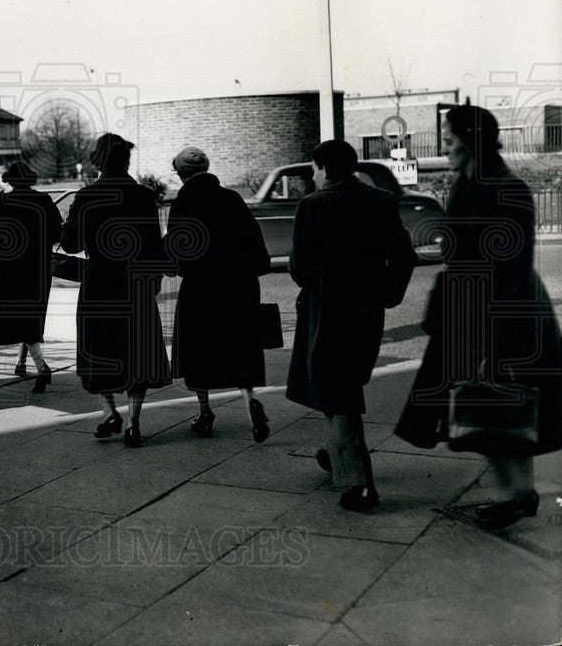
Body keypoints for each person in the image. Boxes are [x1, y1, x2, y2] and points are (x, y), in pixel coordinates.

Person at [395, 103, 562, 528]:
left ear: (470, 140)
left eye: (449, 137)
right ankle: (518, 494)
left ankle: (517, 495)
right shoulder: (470, 182)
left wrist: (489, 337)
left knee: (498, 404)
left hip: (500, 312)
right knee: (485, 407)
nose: (444, 144)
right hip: (472, 308)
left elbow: (509, 265)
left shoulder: (504, 188)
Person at [286, 139, 416, 512]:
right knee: (344, 384)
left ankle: (358, 483)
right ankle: (338, 452)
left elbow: (299, 268)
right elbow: (404, 257)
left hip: (327, 312)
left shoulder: (312, 206)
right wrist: (388, 294)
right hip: (367, 312)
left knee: (335, 391)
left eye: (314, 169)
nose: (313, 175)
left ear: (325, 168)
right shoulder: (380, 201)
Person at [60, 133, 171, 446]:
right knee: (137, 352)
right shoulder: (144, 195)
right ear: (126, 161)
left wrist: (71, 220)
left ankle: (110, 411)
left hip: (99, 283)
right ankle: (134, 422)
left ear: (98, 161)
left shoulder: (86, 196)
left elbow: (71, 244)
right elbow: (153, 243)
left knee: (100, 349)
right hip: (136, 282)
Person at [163, 146, 272, 440]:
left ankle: (205, 411)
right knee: (241, 347)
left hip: (202, 288)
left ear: (182, 174)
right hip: (240, 286)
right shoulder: (232, 198)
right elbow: (256, 248)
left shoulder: (183, 204)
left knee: (198, 350)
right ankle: (251, 402)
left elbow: (177, 255)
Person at [0, 161, 63, 393]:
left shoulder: (2, 201)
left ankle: (42, 367)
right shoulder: (44, 200)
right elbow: (57, 232)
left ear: (10, 181)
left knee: (18, 318)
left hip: (12, 269)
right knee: (32, 317)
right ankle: (21, 362)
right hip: (38, 268)